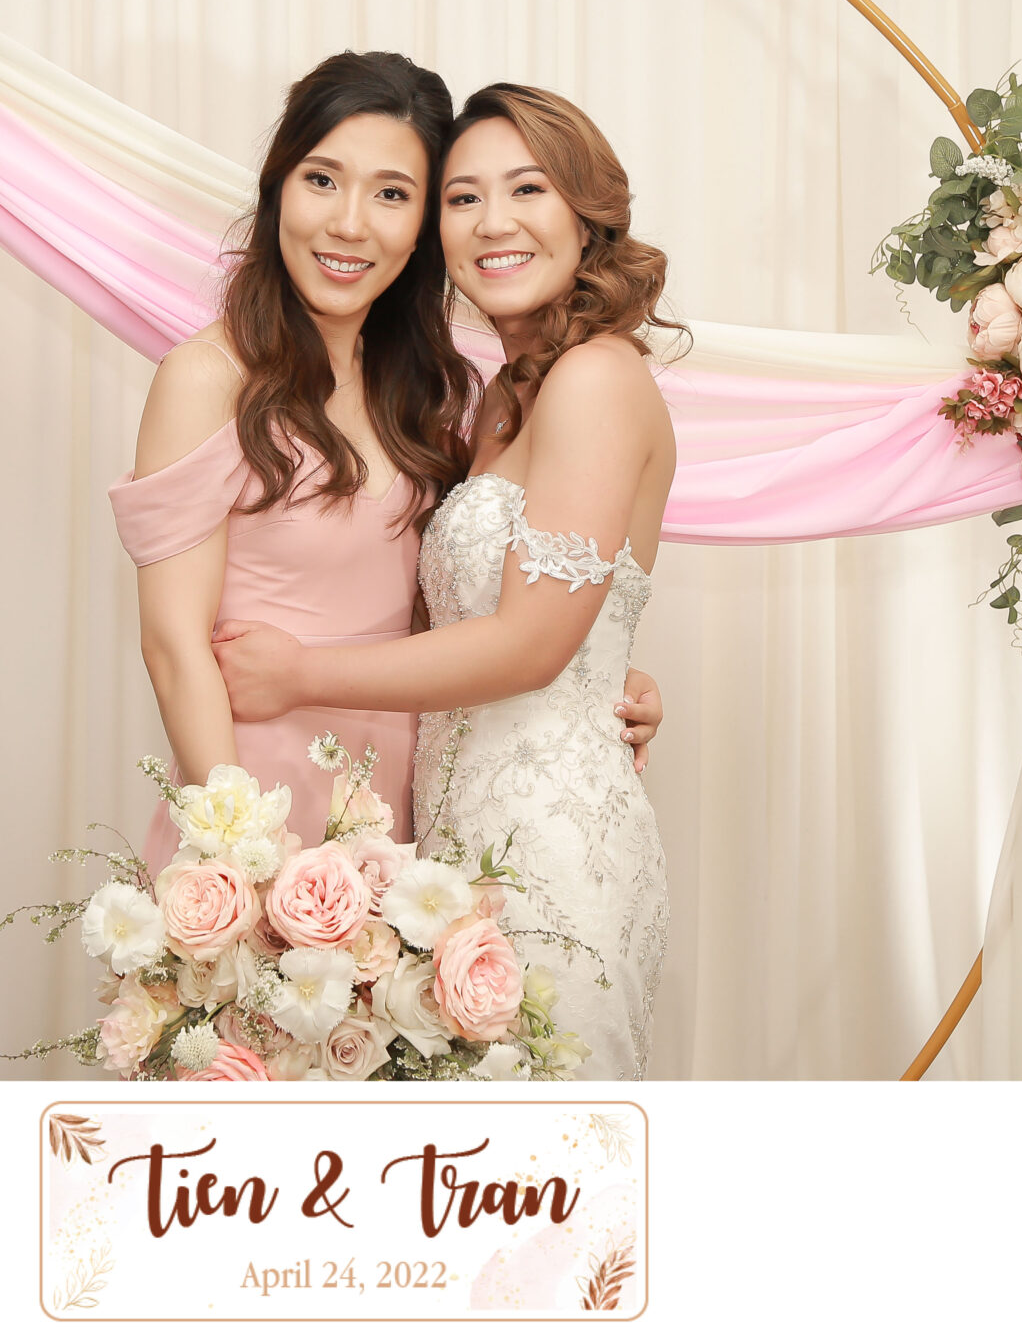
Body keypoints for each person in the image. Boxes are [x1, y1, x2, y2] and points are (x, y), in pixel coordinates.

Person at [212, 82, 676, 1079]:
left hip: (552, 847)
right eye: (463, 198)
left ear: (586, 216)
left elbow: (531, 643)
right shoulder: (502, 393)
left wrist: (300, 673)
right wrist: (612, 675)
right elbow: (518, 611)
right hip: (459, 849)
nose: (493, 222)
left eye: (527, 189)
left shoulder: (597, 376)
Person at [109, 55, 662, 868]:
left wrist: (600, 664)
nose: (349, 224)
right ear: (277, 190)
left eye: (392, 194)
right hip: (257, 798)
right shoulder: (208, 377)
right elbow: (172, 648)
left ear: (422, 227)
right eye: (321, 180)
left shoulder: (424, 392)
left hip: (408, 814)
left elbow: (471, 610)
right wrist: (247, 857)